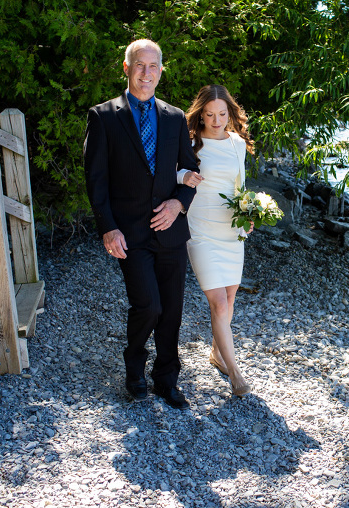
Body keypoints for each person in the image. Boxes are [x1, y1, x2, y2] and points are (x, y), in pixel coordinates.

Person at [84, 39, 201, 410]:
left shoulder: (174, 117)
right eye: (139, 65)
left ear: (161, 71)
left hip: (170, 232)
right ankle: (134, 366)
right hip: (129, 234)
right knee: (148, 305)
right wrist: (107, 227)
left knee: (172, 310)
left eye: (153, 67)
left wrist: (179, 204)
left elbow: (190, 170)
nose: (146, 73)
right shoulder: (103, 116)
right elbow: (96, 179)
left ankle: (166, 380)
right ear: (126, 68)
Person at [179, 84, 254, 396]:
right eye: (209, 114)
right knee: (218, 302)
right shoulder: (191, 141)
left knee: (231, 298)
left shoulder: (237, 143)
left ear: (230, 113)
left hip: (230, 229)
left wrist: (249, 213)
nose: (216, 120)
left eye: (222, 114)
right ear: (201, 114)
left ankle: (217, 353)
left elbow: (240, 186)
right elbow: (168, 172)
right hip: (200, 227)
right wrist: (182, 177)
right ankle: (235, 373)